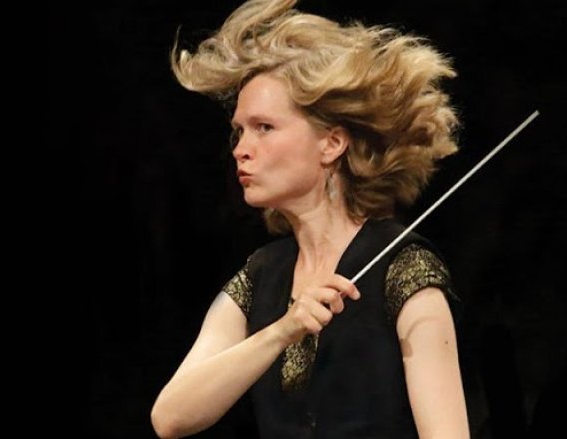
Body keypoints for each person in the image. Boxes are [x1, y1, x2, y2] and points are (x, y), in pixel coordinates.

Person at [151, 0, 469, 437]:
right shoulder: (261, 276)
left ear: (331, 144)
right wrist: (283, 330)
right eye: (239, 131)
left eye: (264, 127)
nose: (241, 149)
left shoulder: (404, 270)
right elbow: (169, 417)